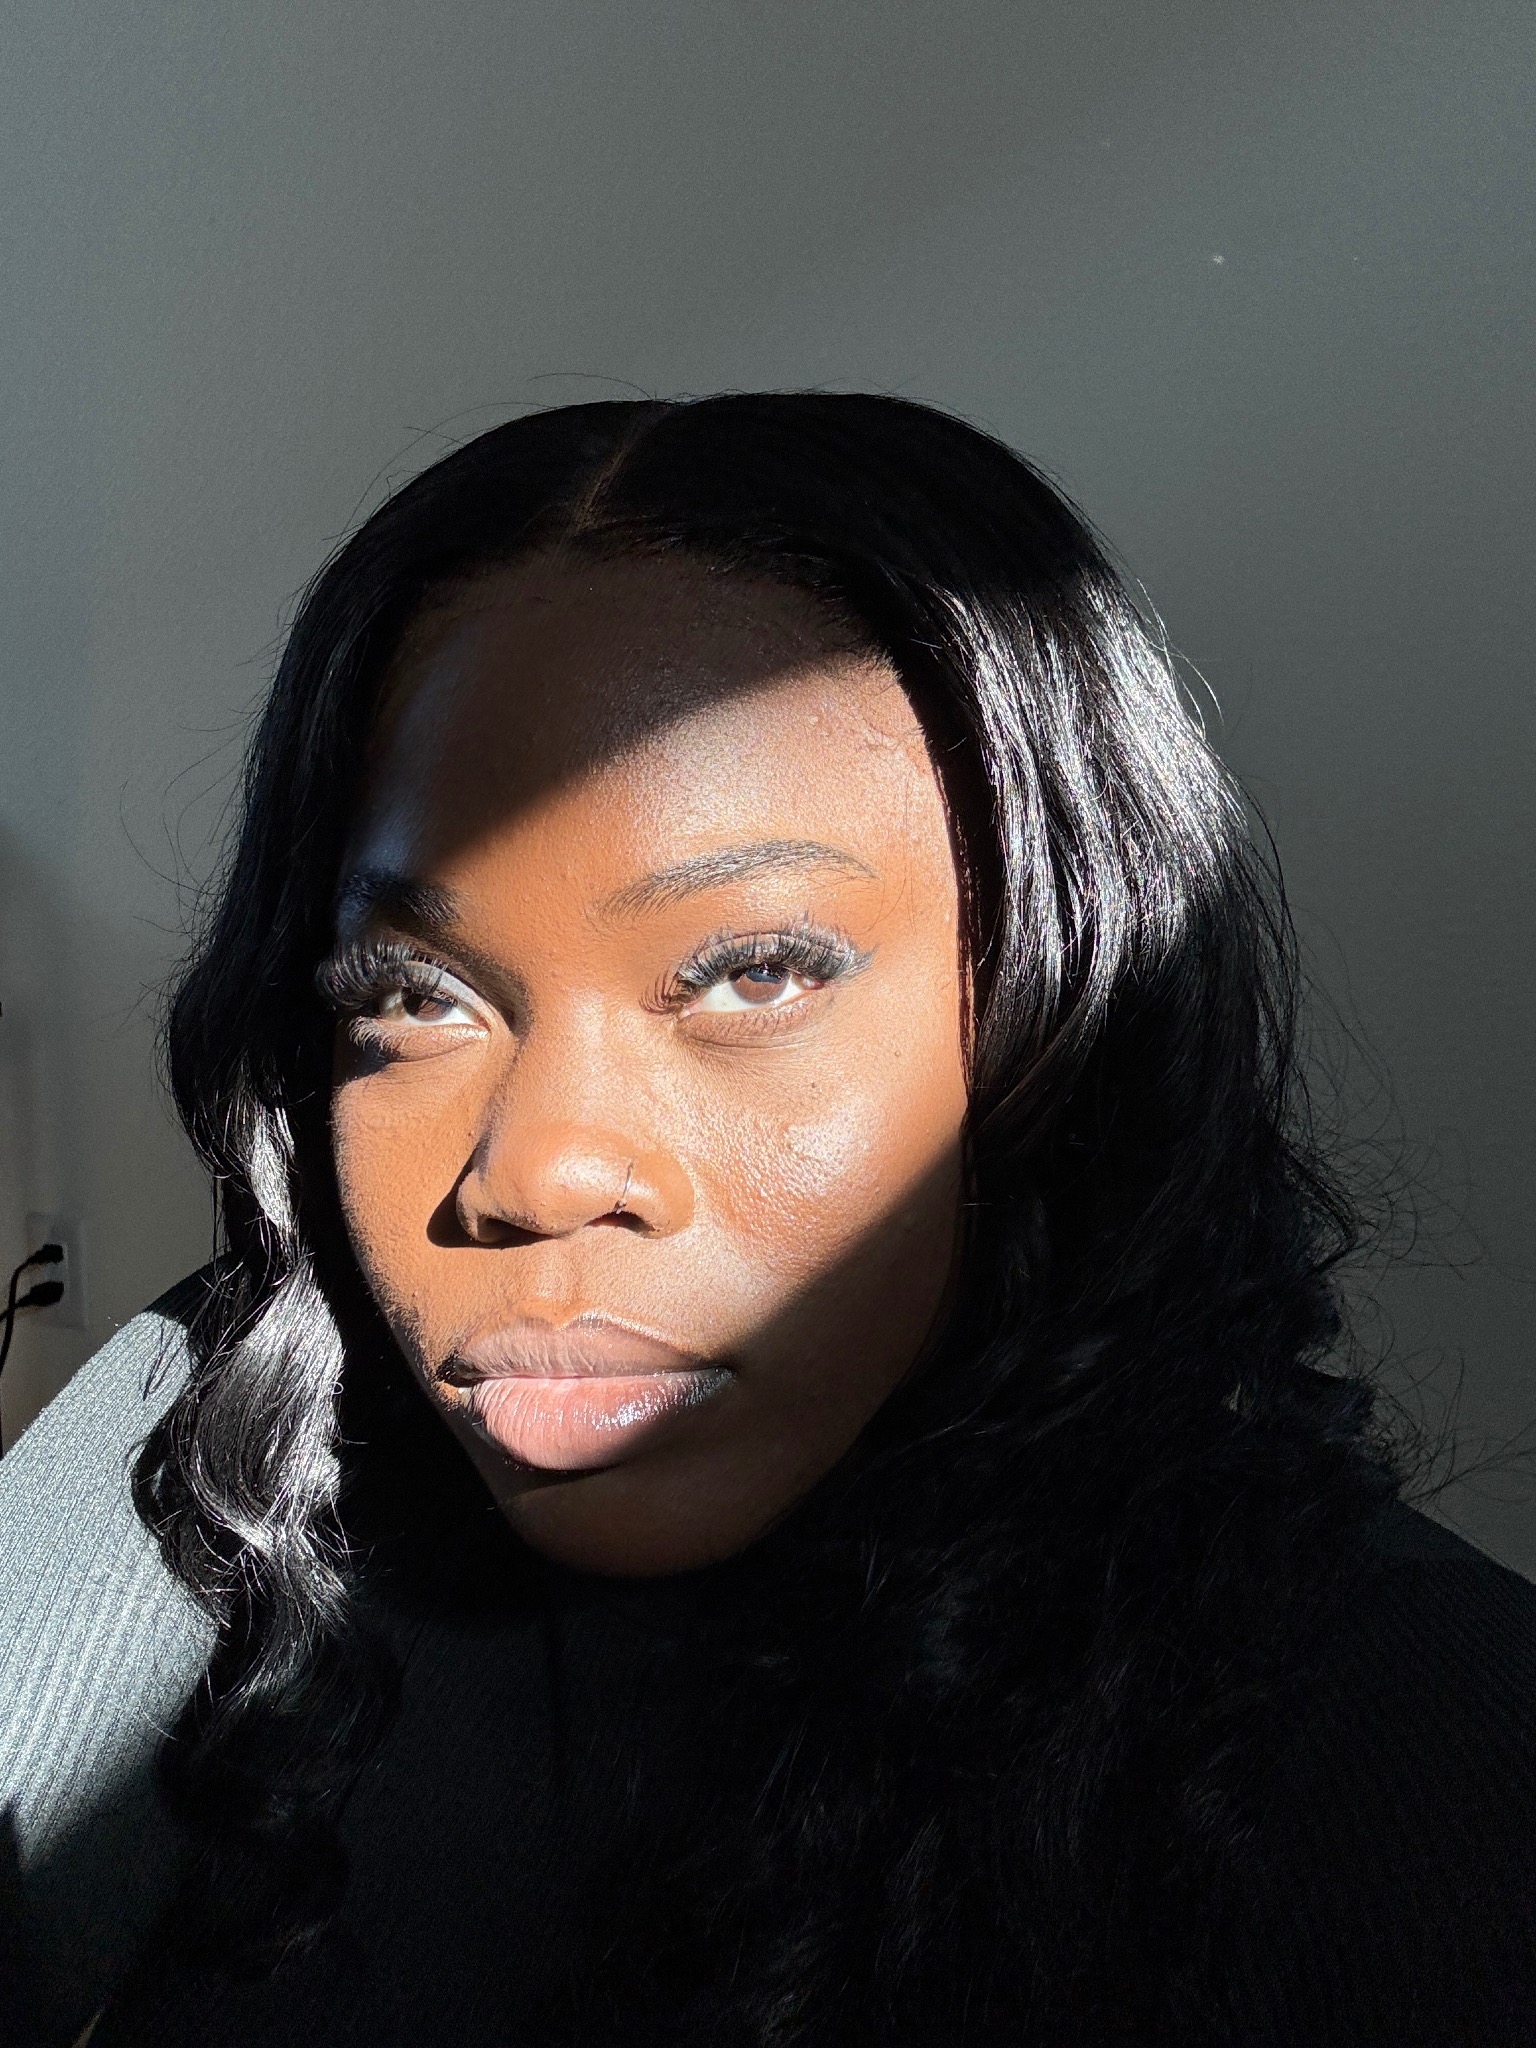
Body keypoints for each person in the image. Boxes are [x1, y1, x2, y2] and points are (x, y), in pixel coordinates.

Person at [2, 393, 1532, 2046]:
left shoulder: (1434, 1769)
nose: (534, 1174)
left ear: (1062, 1013)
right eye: (416, 996)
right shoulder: (227, 1447)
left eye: (752, 972)